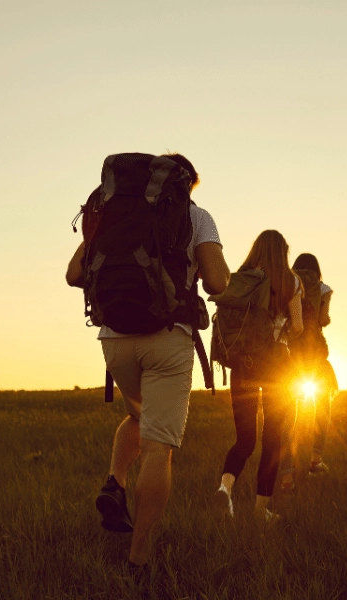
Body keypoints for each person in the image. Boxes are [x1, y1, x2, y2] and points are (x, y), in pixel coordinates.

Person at [66, 153, 229, 568]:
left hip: (114, 338)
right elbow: (216, 280)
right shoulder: (198, 216)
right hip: (168, 337)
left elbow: (73, 274)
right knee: (159, 447)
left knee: (139, 416)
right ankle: (139, 558)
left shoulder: (118, 213)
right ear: (187, 184)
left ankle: (115, 482)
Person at [214, 230, 302, 521]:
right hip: (277, 366)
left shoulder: (242, 278)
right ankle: (260, 509)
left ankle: (225, 489)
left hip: (243, 363)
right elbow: (299, 326)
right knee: (272, 440)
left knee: (245, 439)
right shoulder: (291, 282)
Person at [280, 253, 338, 487]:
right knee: (323, 406)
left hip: (288, 351)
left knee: (286, 415)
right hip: (314, 353)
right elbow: (323, 320)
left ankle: (285, 476)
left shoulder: (287, 283)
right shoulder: (323, 289)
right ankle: (315, 460)